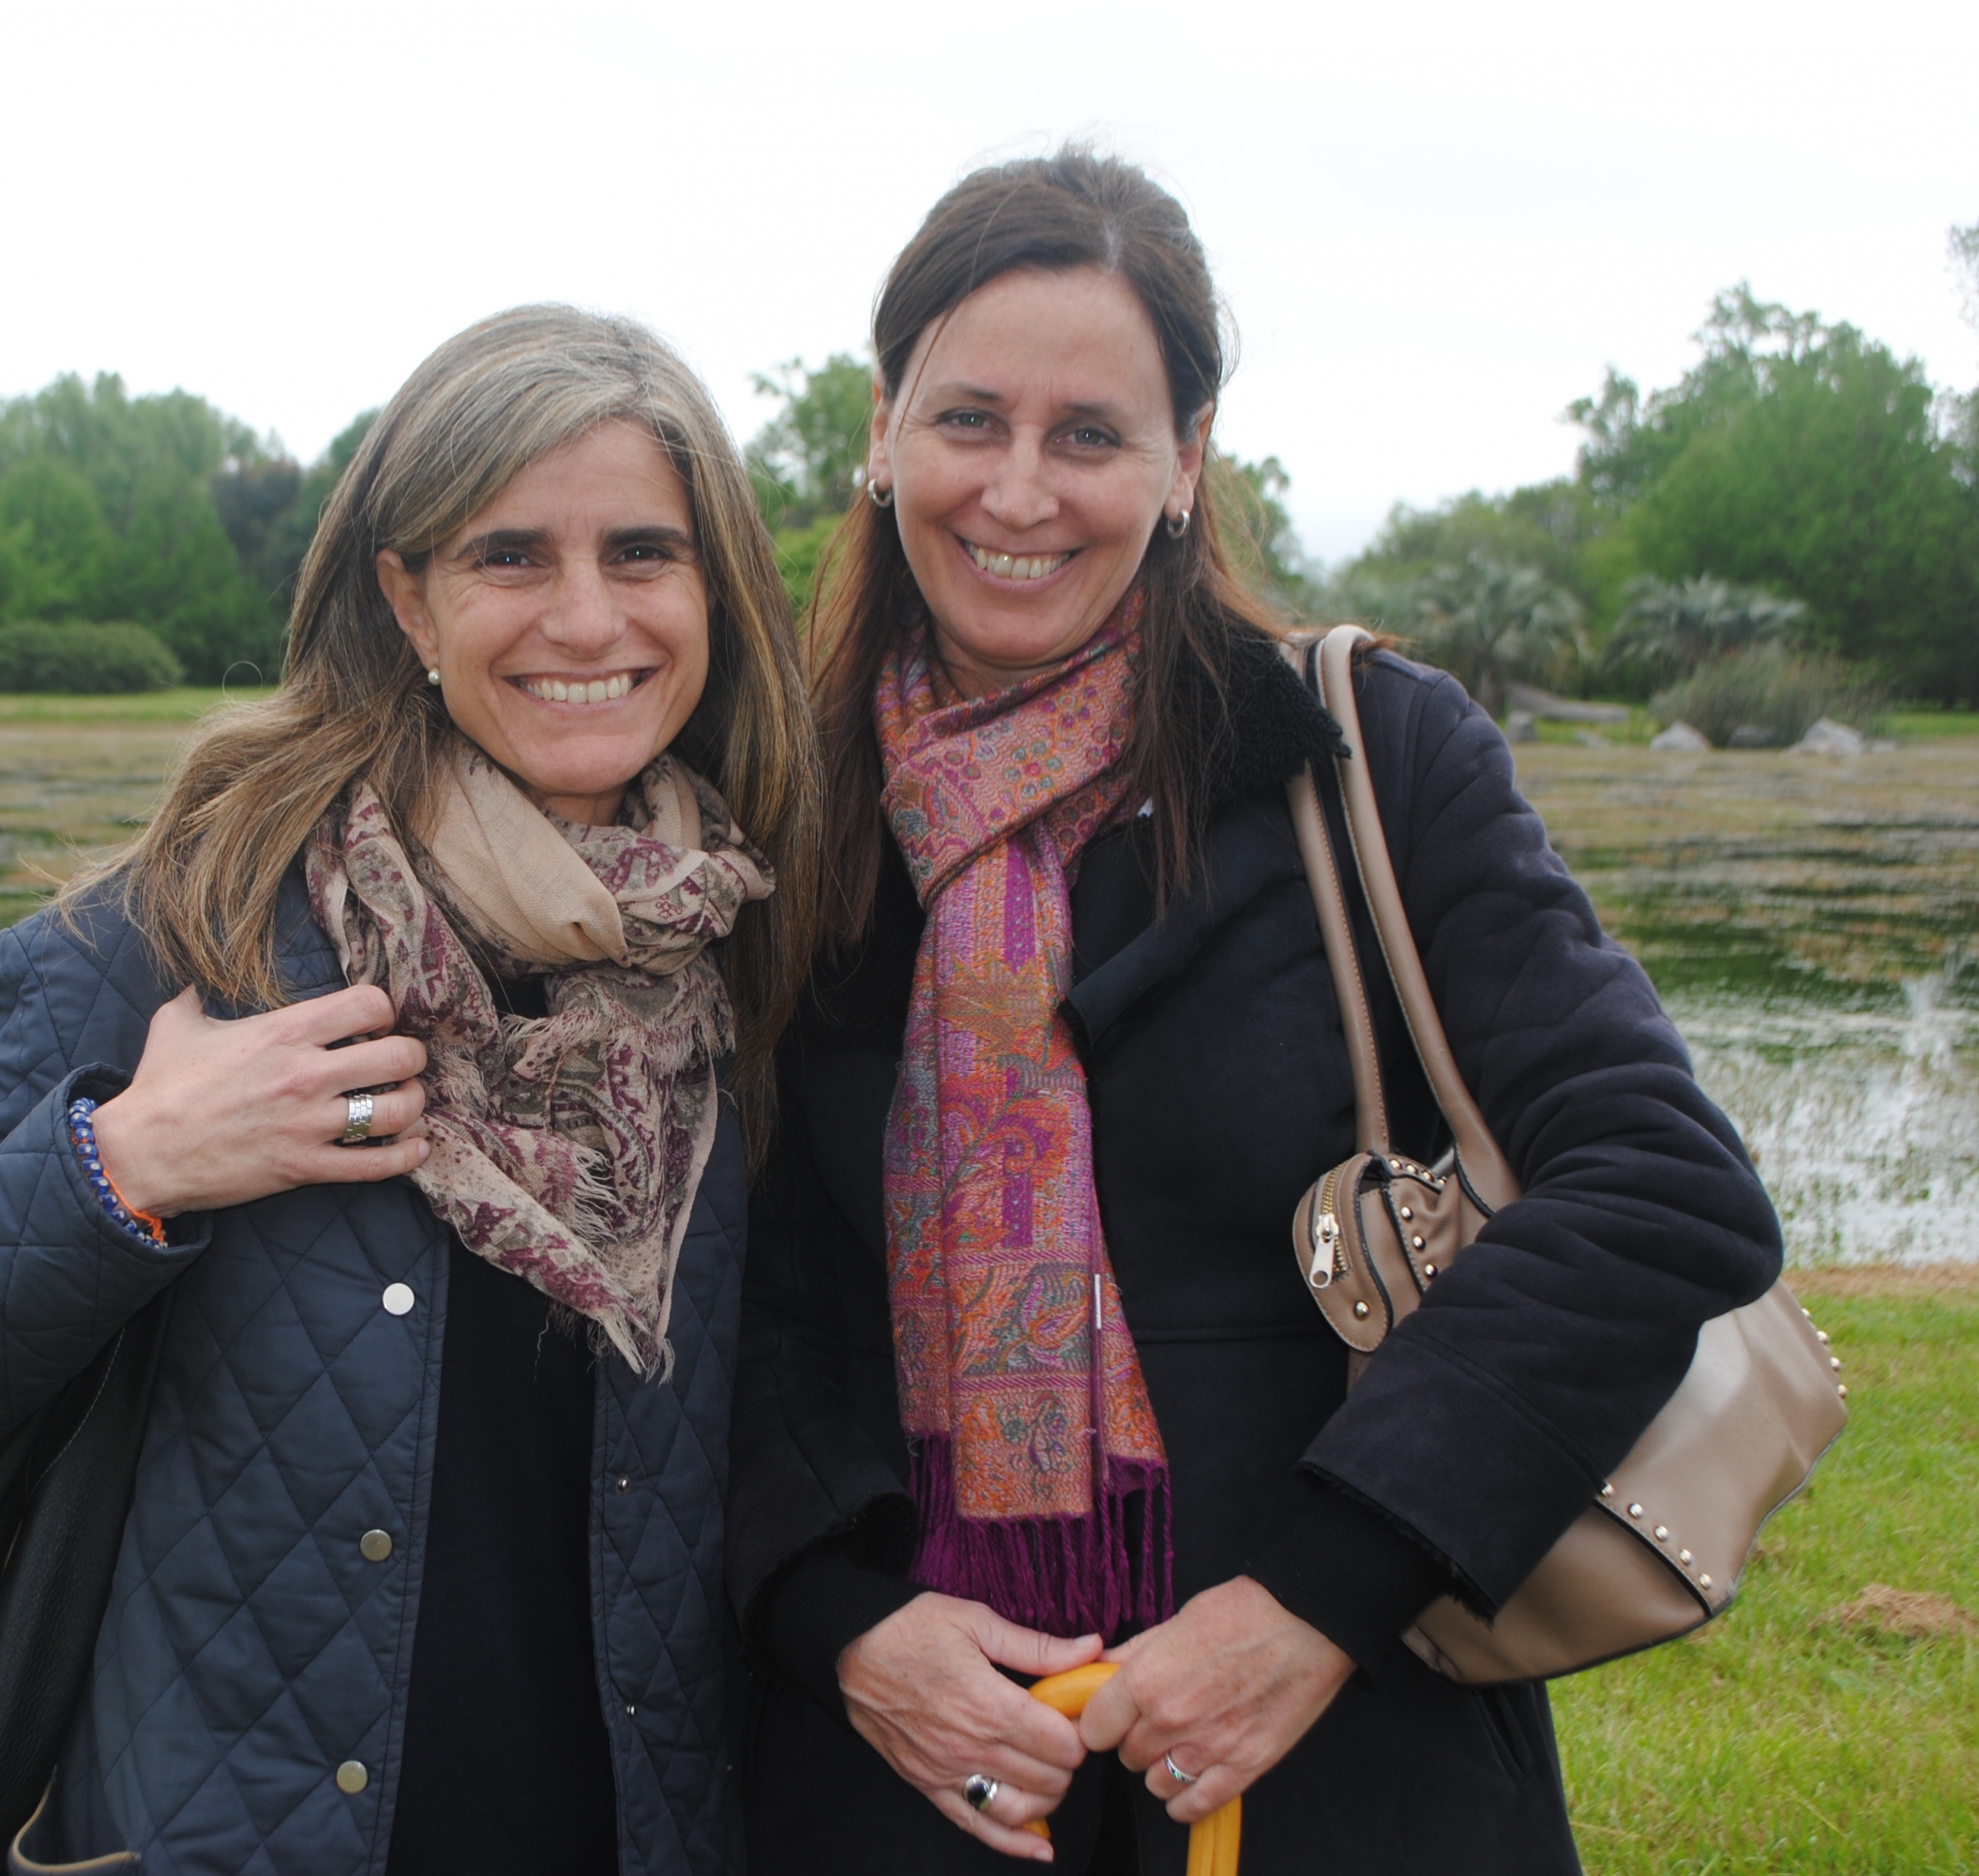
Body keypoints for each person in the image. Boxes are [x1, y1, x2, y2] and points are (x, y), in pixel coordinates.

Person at [728, 150, 1782, 1872]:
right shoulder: (780, 812)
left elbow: (1658, 1188)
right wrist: (842, 1620)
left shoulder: (1365, 756)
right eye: (968, 418)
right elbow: (729, 1297)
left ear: (1185, 462)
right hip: (915, 1781)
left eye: (1090, 434)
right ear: (880, 429)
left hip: (1343, 1754)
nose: (1017, 490)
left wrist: (1317, 1596)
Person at [0, 304, 817, 1875]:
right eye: (508, 556)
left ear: (715, 590)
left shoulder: (743, 952)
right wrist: (126, 1164)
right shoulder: (182, 927)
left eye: (641, 552)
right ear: (405, 595)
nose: (584, 615)